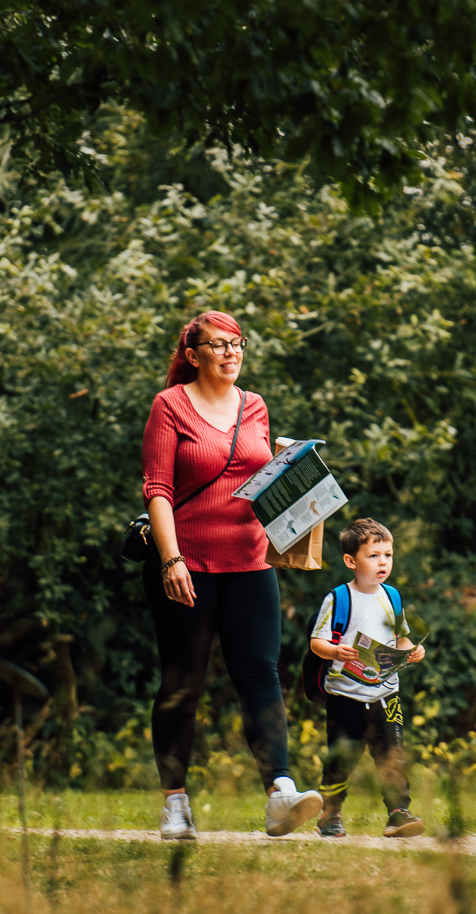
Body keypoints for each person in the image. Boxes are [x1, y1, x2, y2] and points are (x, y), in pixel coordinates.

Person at [142, 310, 324, 841]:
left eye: (237, 343)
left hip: (249, 562)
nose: (230, 352)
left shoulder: (256, 407)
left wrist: (300, 489)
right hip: (188, 566)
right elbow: (158, 488)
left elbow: (262, 481)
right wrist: (170, 560)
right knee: (183, 683)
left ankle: (280, 794)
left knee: (261, 675)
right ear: (193, 355)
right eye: (217, 344)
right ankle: (175, 803)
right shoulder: (169, 406)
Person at [307, 519, 427, 838]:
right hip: (345, 695)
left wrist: (413, 650)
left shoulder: (391, 597)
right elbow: (316, 642)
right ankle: (330, 814)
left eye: (387, 555)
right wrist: (336, 652)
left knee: (393, 753)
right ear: (351, 561)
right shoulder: (338, 599)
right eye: (373, 556)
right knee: (342, 757)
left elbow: (401, 639)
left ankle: (398, 812)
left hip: (387, 693)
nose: (383, 562)